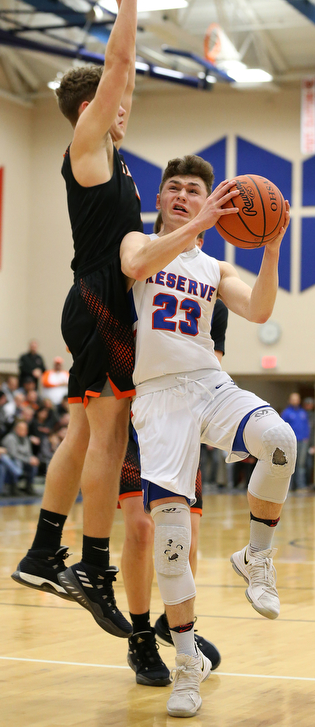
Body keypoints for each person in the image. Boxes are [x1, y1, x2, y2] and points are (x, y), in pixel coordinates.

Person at [118, 153, 296, 717]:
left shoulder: (215, 269)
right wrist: (200, 223)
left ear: (210, 200)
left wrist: (269, 247)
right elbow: (136, 263)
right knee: (170, 541)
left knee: (279, 439)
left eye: (195, 190)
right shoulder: (135, 244)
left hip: (206, 380)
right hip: (158, 399)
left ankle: (256, 557)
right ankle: (187, 664)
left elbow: (261, 306)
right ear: (161, 199)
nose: (182, 195)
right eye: (173, 188)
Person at [12, 0, 143, 639]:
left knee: (79, 432)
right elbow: (119, 63)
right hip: (97, 301)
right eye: (116, 99)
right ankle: (92, 564)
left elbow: (126, 72)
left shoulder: (111, 154)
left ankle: (40, 551)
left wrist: (126, 12)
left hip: (91, 298)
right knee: (107, 433)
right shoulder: (87, 143)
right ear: (91, 110)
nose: (127, 103)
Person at [120, 294, 226, 687]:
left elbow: (215, 365)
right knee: (142, 531)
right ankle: (141, 634)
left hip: (182, 426)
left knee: (188, 540)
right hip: (134, 423)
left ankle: (177, 624)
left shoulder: (214, 292)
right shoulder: (138, 279)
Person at [2, 420, 39, 495]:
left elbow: (29, 453)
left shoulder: (26, 439)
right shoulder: (10, 438)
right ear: (16, 429)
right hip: (12, 460)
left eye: (25, 429)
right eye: (21, 429)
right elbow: (13, 454)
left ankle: (29, 486)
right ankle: (14, 487)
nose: (24, 431)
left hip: (23, 461)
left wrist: (32, 458)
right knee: (17, 462)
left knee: (34, 464)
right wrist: (28, 460)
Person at [281, 392, 310, 489]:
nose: (295, 401)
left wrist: (306, 437)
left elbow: (306, 426)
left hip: (303, 441)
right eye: (293, 399)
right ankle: (288, 487)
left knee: (301, 465)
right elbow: (282, 427)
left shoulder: (303, 412)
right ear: (290, 400)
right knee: (289, 464)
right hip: (291, 442)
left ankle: (301, 486)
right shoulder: (286, 413)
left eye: (297, 399)